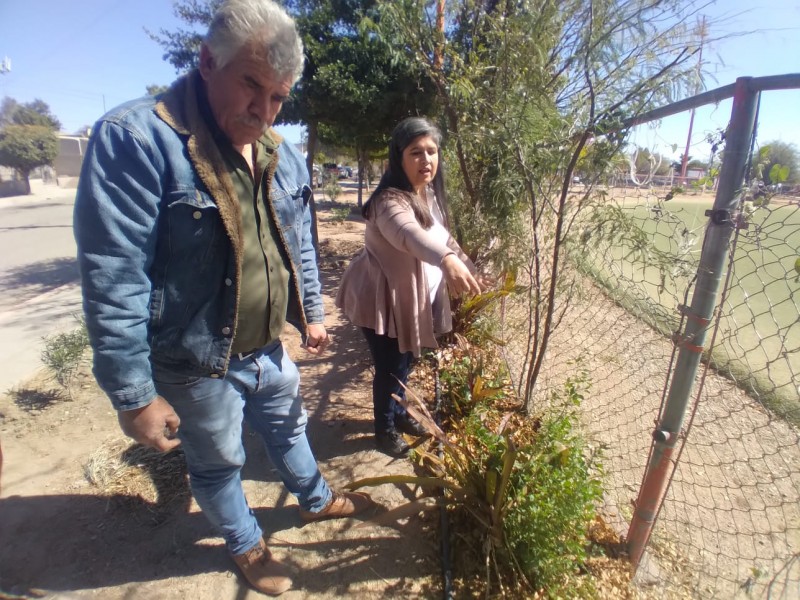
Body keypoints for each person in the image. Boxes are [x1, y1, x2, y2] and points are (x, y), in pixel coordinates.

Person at [73, 1, 372, 595]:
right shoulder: (135, 140)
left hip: (268, 349)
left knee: (291, 430)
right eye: (251, 86)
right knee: (219, 463)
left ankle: (314, 498)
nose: (262, 112)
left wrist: (310, 313)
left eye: (279, 98)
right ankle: (245, 543)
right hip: (196, 365)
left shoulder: (279, 155)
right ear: (208, 61)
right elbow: (114, 276)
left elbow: (299, 245)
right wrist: (134, 396)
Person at [336, 117, 483, 457]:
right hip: (381, 301)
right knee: (391, 368)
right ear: (398, 157)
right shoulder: (389, 201)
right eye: (416, 152)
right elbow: (409, 235)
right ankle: (384, 431)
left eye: (432, 151)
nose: (426, 160)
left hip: (413, 300)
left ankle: (399, 414)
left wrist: (468, 267)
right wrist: (446, 260)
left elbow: (442, 237)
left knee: (407, 362)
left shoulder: (428, 195)